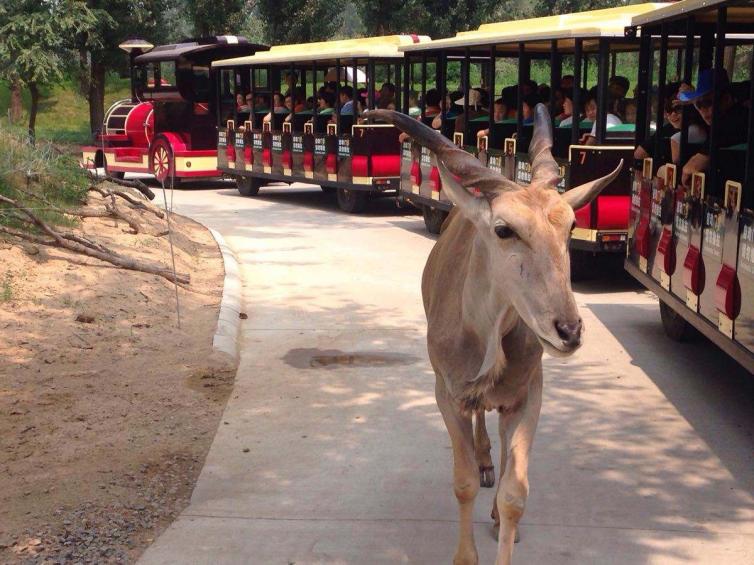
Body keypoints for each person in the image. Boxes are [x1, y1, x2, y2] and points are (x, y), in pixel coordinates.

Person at [679, 68, 747, 186]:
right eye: (699, 105)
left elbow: (690, 169)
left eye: (708, 103)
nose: (702, 110)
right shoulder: (716, 118)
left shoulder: (736, 121)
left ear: (726, 99)